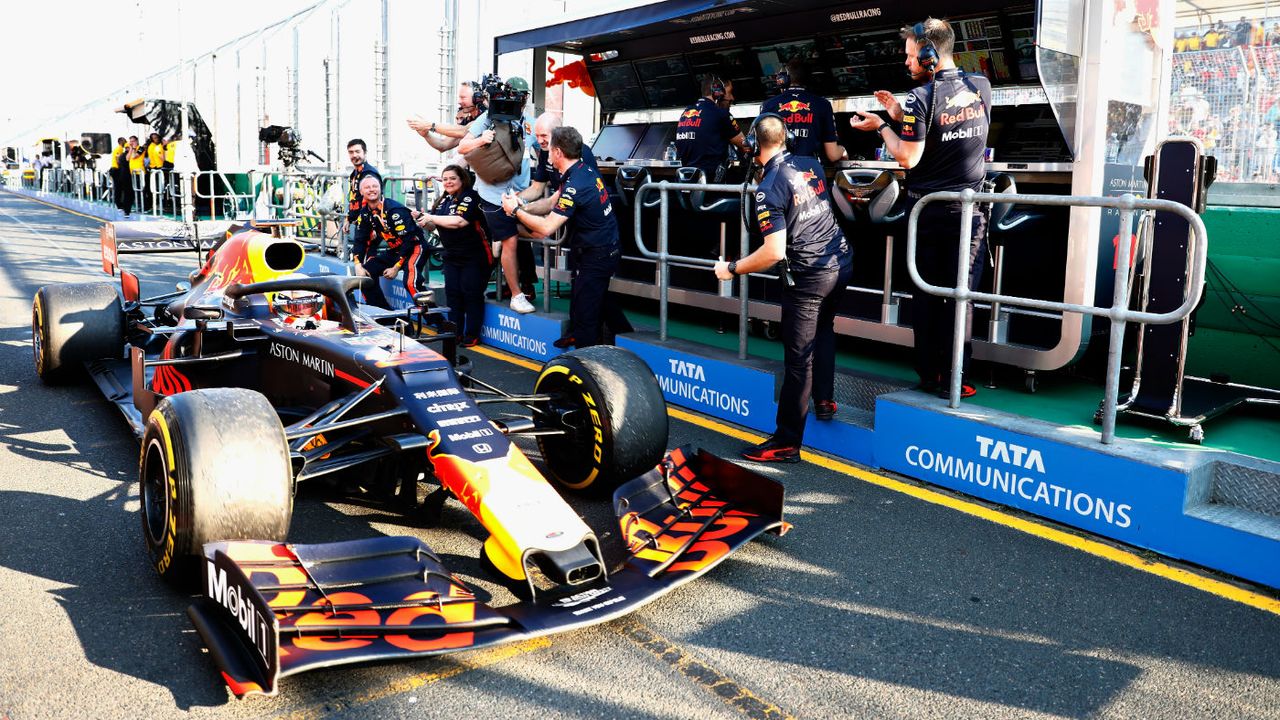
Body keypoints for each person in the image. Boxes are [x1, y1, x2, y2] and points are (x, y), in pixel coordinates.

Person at [851, 17, 991, 399]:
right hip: (970, 213)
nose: (907, 62)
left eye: (911, 56)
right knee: (961, 297)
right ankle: (957, 375)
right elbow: (944, 126)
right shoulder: (980, 86)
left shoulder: (921, 98)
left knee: (928, 297)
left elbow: (908, 157)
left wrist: (882, 127)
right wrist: (899, 114)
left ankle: (931, 376)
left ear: (929, 56)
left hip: (928, 214)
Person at [711, 115, 851, 463]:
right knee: (824, 330)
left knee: (797, 360)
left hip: (808, 277)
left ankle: (787, 442)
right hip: (841, 263)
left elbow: (773, 252)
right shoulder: (809, 163)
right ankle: (824, 399)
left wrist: (732, 269)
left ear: (756, 146)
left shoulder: (769, 187)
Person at [501, 126, 632, 348]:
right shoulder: (579, 170)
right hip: (594, 248)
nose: (547, 154)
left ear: (558, 152)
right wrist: (523, 205)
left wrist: (515, 212)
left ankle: (586, 363)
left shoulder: (576, 183)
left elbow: (546, 228)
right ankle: (620, 340)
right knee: (594, 300)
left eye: (550, 149)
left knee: (586, 310)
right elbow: (552, 203)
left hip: (599, 252)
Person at [457, 77, 541, 314]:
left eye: (523, 96)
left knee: (526, 238)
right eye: (515, 95)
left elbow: (542, 151)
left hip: (522, 196)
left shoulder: (530, 125)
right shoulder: (487, 119)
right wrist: (481, 140)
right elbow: (462, 147)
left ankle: (524, 284)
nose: (519, 101)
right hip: (493, 194)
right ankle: (516, 294)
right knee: (511, 241)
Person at [413, 165, 491, 347]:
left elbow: (459, 221)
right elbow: (435, 227)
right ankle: (454, 332)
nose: (448, 182)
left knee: (471, 294)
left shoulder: (470, 196)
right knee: (453, 295)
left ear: (462, 179)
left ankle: (472, 334)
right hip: (452, 255)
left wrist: (430, 217)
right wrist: (422, 219)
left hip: (474, 255)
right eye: (445, 179)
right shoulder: (442, 201)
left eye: (452, 178)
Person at [351, 175, 425, 310]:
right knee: (365, 273)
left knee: (410, 282)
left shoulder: (394, 210)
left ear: (380, 189)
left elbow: (409, 240)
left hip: (415, 247)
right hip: (397, 250)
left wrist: (396, 267)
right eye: (367, 187)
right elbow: (360, 240)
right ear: (361, 192)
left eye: (375, 186)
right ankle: (383, 314)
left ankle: (436, 319)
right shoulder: (365, 213)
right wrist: (357, 264)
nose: (371, 190)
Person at [759, 59, 846, 163]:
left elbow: (760, 155)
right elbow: (833, 155)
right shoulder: (823, 104)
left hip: (779, 172)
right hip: (810, 171)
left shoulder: (768, 105)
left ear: (784, 79)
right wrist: (843, 151)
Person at [674, 75, 751, 180]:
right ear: (717, 92)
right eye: (729, 92)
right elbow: (746, 145)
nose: (732, 98)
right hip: (712, 184)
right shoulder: (720, 114)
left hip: (686, 181)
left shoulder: (686, 112)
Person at [408, 81, 484, 163]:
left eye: (463, 98)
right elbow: (443, 145)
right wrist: (426, 134)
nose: (459, 101)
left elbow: (464, 131)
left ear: (477, 98)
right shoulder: (468, 119)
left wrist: (429, 125)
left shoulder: (485, 116)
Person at [342, 139, 381, 249]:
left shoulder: (369, 173)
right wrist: (348, 219)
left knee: (365, 260)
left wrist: (373, 227)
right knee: (359, 258)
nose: (354, 155)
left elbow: (375, 200)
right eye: (351, 152)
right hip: (360, 224)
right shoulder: (354, 174)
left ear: (365, 153)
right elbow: (354, 198)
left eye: (357, 151)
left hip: (368, 225)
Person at [110, 137, 133, 216]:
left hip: (117, 169)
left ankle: (120, 205)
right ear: (120, 142)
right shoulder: (119, 149)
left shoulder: (119, 149)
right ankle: (119, 205)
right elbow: (118, 159)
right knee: (118, 189)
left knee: (119, 189)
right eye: (124, 141)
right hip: (116, 170)